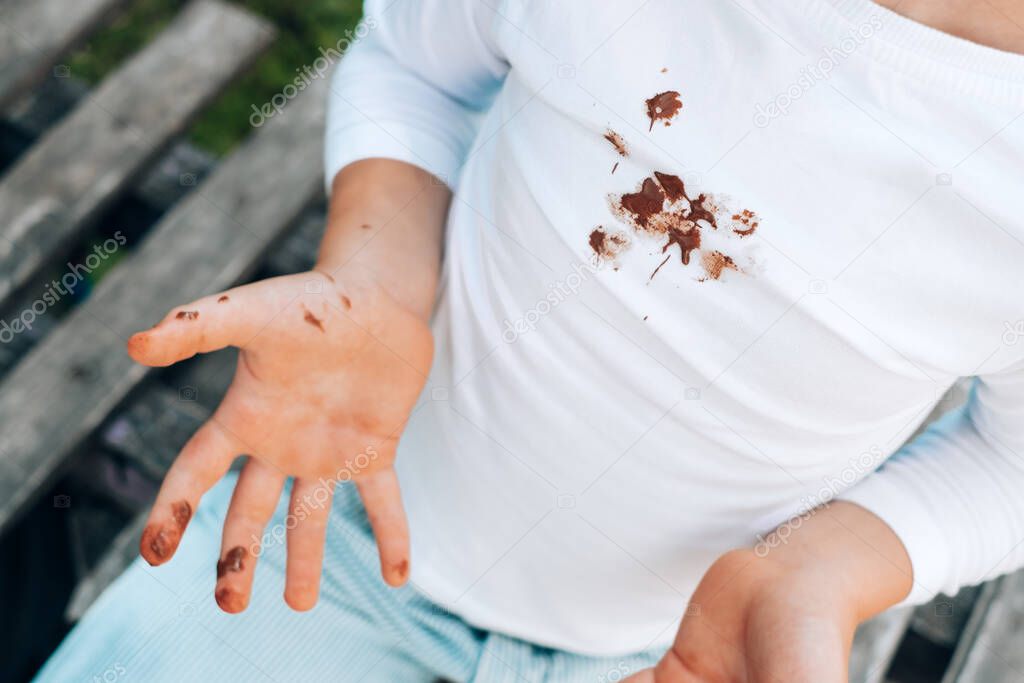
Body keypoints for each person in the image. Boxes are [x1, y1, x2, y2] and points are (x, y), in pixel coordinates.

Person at [37, 0, 1024, 680]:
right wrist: (376, 276)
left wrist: (824, 566)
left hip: (674, 646)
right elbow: (416, 61)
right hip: (330, 514)